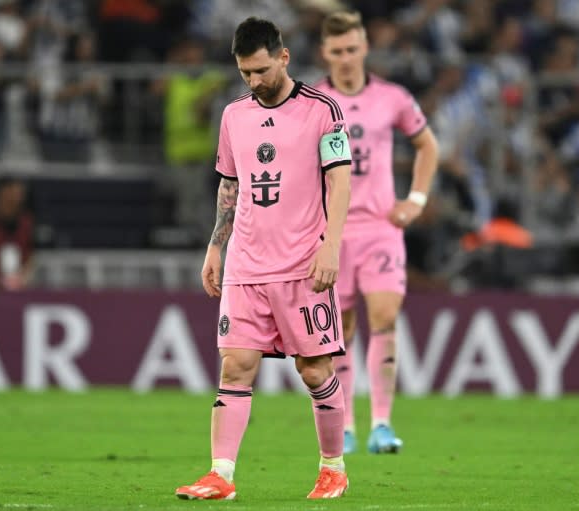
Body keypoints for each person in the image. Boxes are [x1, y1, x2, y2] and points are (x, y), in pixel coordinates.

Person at [175, 17, 352, 500]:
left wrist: (331, 246)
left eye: (260, 70)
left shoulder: (323, 109)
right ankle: (221, 475)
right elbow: (231, 183)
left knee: (315, 371)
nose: (253, 81)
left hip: (302, 265)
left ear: (283, 57)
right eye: (244, 73)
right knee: (235, 367)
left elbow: (340, 182)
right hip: (246, 264)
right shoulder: (234, 115)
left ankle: (333, 467)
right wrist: (216, 245)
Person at [314, 11, 439, 454]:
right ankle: (346, 428)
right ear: (324, 53)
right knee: (341, 331)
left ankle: (382, 424)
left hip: (382, 228)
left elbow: (428, 145)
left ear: (365, 48)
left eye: (352, 49)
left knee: (385, 317)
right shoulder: (311, 102)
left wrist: (416, 200)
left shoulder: (393, 97)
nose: (345, 58)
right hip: (332, 234)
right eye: (337, 51)